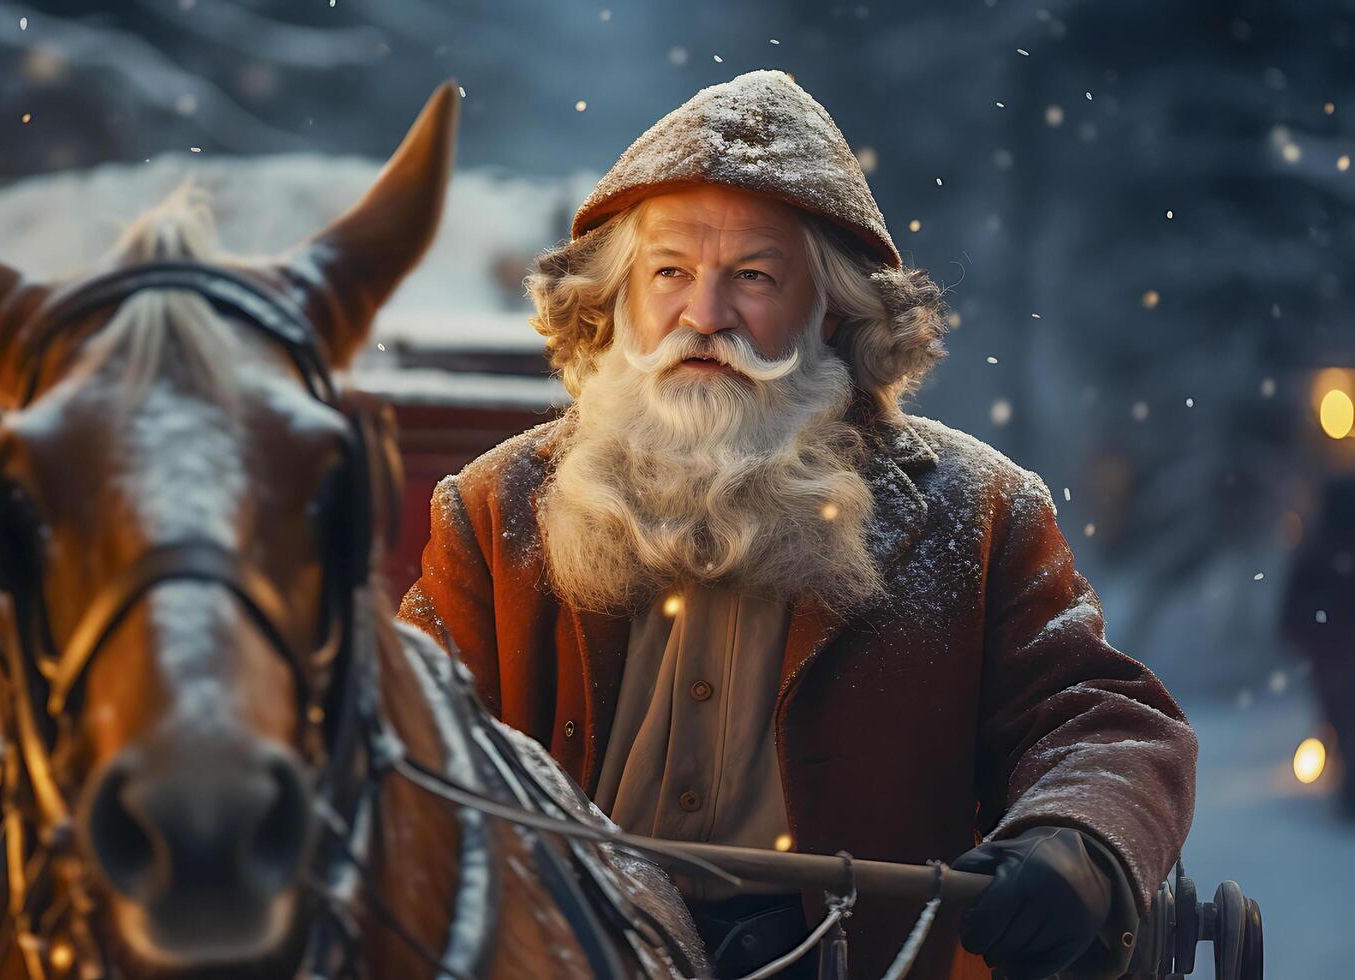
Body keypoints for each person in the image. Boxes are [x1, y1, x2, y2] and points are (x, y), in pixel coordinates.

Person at [399, 70, 1197, 979]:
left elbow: (1106, 724)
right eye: (668, 273)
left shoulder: (978, 511)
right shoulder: (493, 506)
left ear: (834, 313)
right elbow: (400, 731)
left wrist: (1074, 843)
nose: (703, 316)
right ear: (614, 299)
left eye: (753, 277)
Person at [1281, 474, 1355, 822]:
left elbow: (1294, 612)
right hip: (1335, 662)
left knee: (1343, 728)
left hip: (1334, 663)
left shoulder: (1318, 552)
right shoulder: (1321, 554)